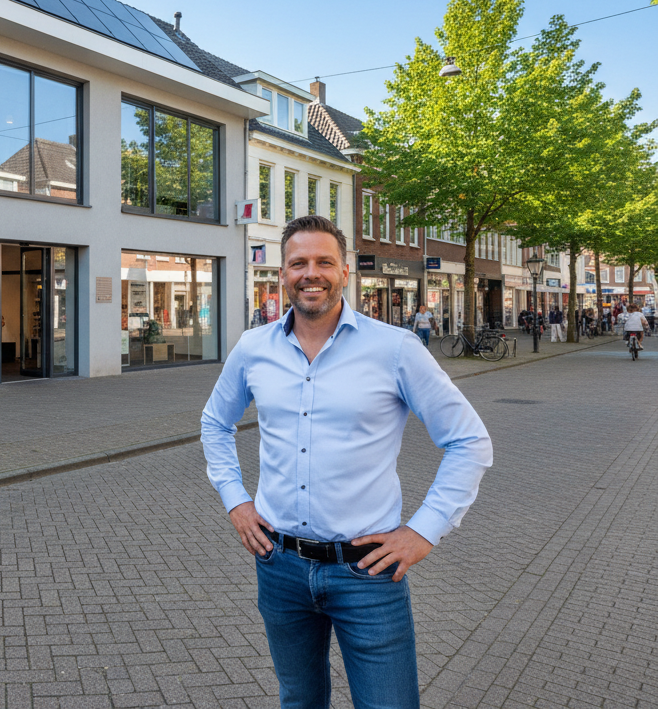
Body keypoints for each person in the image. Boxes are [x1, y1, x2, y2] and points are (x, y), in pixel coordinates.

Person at [201, 216, 492, 709]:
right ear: (282, 274)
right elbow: (214, 423)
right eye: (298, 263)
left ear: (345, 273)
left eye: (323, 262)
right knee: (299, 698)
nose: (310, 273)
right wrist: (236, 501)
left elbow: (469, 441)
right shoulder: (253, 349)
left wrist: (424, 531)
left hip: (367, 573)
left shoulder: (395, 348)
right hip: (279, 564)